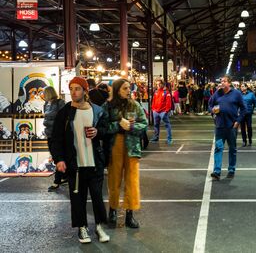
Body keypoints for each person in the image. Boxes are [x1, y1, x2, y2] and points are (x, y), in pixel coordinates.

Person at [50, 76, 110, 244]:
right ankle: (82, 228)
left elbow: (105, 129)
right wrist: (59, 159)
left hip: (94, 162)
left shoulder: (97, 110)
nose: (73, 92)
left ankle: (99, 227)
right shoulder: (65, 113)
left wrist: (98, 132)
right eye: (71, 89)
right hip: (74, 164)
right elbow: (56, 138)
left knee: (97, 196)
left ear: (85, 91)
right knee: (78, 198)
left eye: (77, 88)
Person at [103, 78, 148, 229]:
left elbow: (144, 123)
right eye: (125, 88)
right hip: (115, 146)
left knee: (132, 181)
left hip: (132, 147)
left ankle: (130, 214)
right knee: (114, 181)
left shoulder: (135, 105)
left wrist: (131, 126)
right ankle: (113, 212)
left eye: (129, 88)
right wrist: (117, 125)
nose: (128, 91)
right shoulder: (108, 106)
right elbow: (102, 127)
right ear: (117, 90)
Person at [208, 75, 246, 180]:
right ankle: (217, 171)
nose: (222, 83)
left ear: (229, 83)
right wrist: (213, 110)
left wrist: (238, 121)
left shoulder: (236, 94)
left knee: (232, 149)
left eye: (224, 81)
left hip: (231, 127)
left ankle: (231, 169)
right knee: (218, 148)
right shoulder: (217, 93)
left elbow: (244, 109)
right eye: (221, 81)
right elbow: (210, 105)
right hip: (219, 126)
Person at [43, 86, 67, 192]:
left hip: (58, 135)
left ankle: (57, 181)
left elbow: (62, 118)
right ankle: (63, 176)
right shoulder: (46, 104)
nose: (43, 95)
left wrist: (48, 121)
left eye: (44, 93)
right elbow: (46, 119)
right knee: (55, 157)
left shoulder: (60, 103)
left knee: (58, 157)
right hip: (49, 135)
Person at [150, 80, 173, 145]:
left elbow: (169, 102)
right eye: (157, 84)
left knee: (167, 125)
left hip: (163, 112)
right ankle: (156, 137)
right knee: (156, 125)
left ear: (163, 84)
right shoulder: (156, 92)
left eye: (159, 84)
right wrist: (153, 109)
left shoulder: (167, 92)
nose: (158, 85)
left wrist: (166, 110)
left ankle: (169, 139)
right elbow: (153, 101)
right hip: (156, 111)